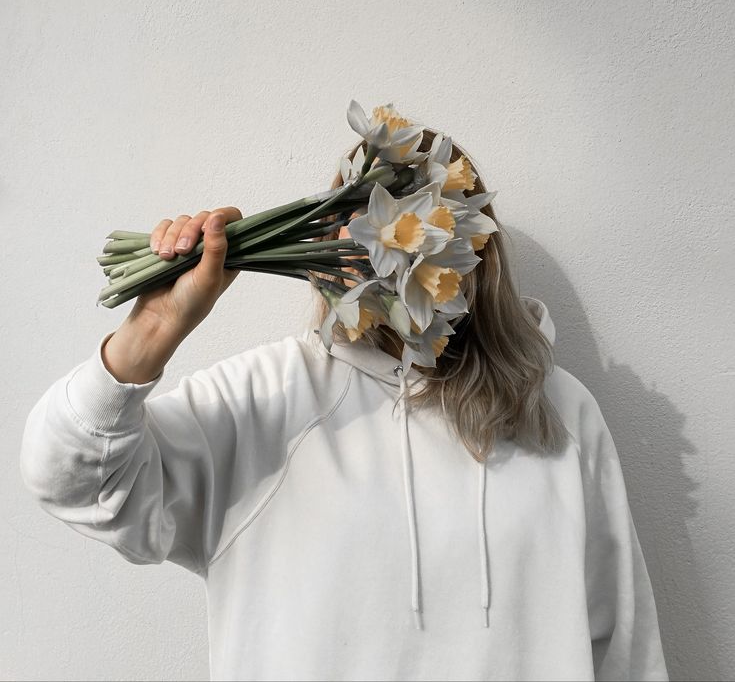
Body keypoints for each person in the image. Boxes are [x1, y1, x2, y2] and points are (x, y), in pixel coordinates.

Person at [19, 129, 669, 682]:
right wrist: (152, 331)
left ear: (477, 246)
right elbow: (70, 478)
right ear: (336, 244)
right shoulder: (268, 399)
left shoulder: (555, 411)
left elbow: (626, 648)